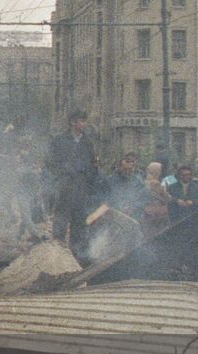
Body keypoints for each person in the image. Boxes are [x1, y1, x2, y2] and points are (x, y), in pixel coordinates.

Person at [45, 109, 99, 255]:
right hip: (64, 188)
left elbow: (93, 165)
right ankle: (56, 255)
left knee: (79, 225)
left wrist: (87, 175)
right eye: (81, 121)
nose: (84, 124)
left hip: (81, 189)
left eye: (85, 121)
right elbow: (50, 163)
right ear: (73, 122)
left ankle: (75, 258)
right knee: (60, 223)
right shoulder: (59, 140)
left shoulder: (87, 143)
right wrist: (64, 170)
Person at [104, 153, 147, 221]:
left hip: (133, 216)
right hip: (114, 216)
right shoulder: (110, 180)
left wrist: (132, 207)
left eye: (130, 169)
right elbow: (105, 198)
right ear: (119, 167)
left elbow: (143, 199)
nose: (127, 172)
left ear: (133, 168)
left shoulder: (138, 182)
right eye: (125, 169)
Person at [143, 161, 171, 236]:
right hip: (157, 214)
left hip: (147, 213)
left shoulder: (144, 182)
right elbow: (167, 198)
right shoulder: (156, 184)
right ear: (157, 171)